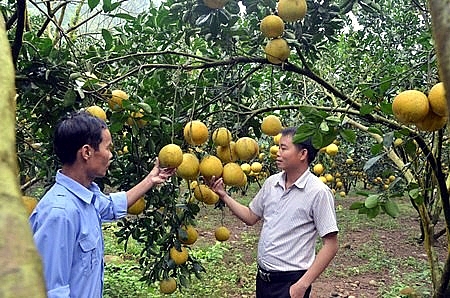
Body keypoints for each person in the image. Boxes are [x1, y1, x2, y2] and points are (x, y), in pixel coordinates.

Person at [29, 111, 176, 298]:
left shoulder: (87, 195)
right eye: (108, 148)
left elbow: (112, 206)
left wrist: (151, 180)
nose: (111, 155)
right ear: (87, 152)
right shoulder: (60, 214)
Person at [210, 127, 339, 298]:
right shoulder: (272, 183)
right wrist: (223, 195)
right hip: (263, 280)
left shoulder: (318, 192)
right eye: (278, 147)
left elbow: (331, 244)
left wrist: (301, 285)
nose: (277, 152)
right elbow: (250, 216)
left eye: (284, 148)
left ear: (303, 154)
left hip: (290, 282)